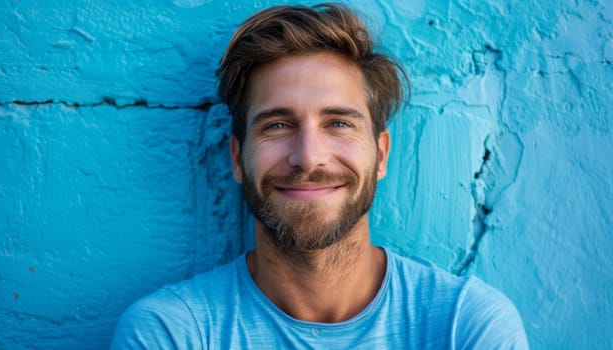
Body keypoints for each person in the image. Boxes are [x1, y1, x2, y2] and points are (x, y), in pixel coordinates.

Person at [111, 3, 528, 349]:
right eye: (276, 125)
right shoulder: (172, 334)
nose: (308, 158)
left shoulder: (466, 327)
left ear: (380, 155)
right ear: (237, 159)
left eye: (338, 124)